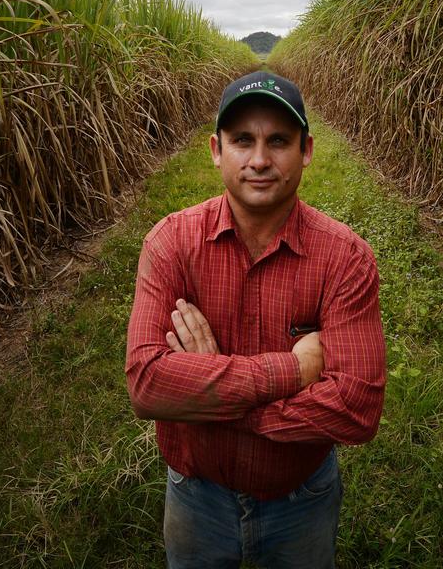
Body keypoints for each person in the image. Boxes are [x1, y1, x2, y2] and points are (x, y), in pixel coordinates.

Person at [125, 70, 386, 568]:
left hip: (300, 498)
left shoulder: (345, 258)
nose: (260, 160)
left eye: (278, 141)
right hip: (197, 496)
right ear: (216, 150)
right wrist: (293, 370)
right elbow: (147, 384)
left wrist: (213, 390)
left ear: (306, 150)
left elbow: (357, 407)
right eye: (242, 140)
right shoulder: (171, 243)